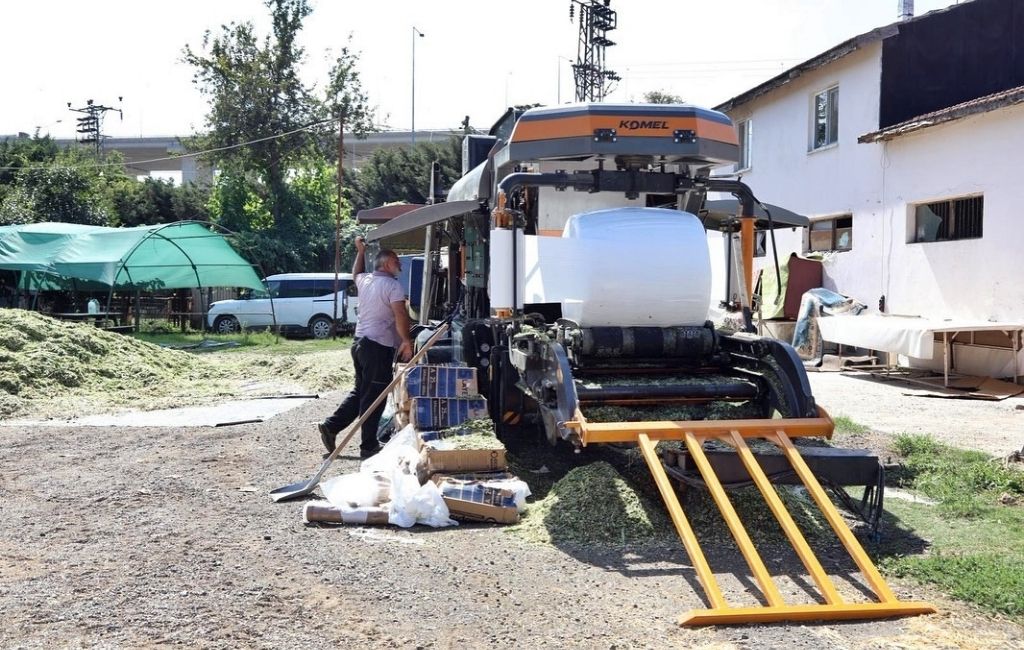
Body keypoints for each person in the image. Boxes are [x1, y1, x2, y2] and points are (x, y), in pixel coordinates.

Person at [318, 237, 412, 458]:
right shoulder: (393, 286)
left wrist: (360, 252)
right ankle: (368, 446)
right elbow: (400, 314)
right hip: (377, 346)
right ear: (386, 264)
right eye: (396, 261)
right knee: (375, 396)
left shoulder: (366, 280)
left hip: (360, 343)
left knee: (361, 391)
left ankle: (331, 426)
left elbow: (356, 273)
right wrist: (407, 341)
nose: (400, 264)